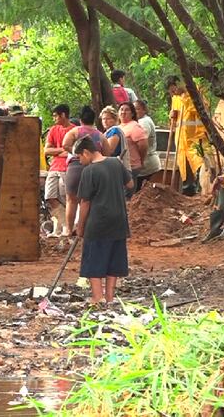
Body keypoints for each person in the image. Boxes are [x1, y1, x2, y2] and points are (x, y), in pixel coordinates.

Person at [73, 137, 134, 305]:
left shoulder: (89, 171)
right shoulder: (116, 163)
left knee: (94, 260)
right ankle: (110, 298)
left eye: (79, 157)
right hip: (119, 220)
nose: (80, 161)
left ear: (86, 152)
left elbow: (85, 202)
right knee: (113, 260)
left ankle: (97, 297)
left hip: (98, 222)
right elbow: (130, 184)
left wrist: (80, 226)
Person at [62, 105, 110, 234]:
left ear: (80, 119)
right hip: (94, 168)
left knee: (71, 200)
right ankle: (85, 229)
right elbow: (107, 153)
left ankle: (69, 230)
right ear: (94, 120)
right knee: (88, 200)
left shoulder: (75, 131)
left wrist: (77, 153)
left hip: (75, 168)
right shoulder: (100, 135)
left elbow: (65, 144)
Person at [166, 75, 208, 196]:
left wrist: (185, 97)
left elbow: (200, 110)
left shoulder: (195, 93)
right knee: (184, 165)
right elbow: (175, 119)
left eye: (175, 90)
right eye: (171, 91)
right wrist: (171, 115)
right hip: (180, 137)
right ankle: (188, 189)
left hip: (195, 136)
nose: (174, 93)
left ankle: (202, 190)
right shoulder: (175, 98)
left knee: (199, 162)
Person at [44, 104, 76, 236]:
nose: (54, 118)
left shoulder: (75, 130)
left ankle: (66, 227)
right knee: (49, 196)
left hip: (68, 167)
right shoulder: (53, 130)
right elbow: (46, 150)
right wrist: (62, 150)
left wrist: (58, 152)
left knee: (65, 197)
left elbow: (74, 151)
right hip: (54, 167)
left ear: (63, 115)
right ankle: (65, 225)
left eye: (56, 115)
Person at [117, 102, 148, 184]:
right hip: (120, 166)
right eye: (121, 109)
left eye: (127, 110)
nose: (123, 112)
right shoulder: (118, 127)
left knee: (128, 193)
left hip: (131, 166)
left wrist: (141, 160)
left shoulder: (134, 126)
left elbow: (143, 146)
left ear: (132, 114)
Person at [134, 99, 162, 188]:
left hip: (146, 164)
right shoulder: (138, 122)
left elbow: (141, 141)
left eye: (137, 109)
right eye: (133, 109)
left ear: (144, 110)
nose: (135, 111)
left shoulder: (144, 122)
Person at [100, 107, 132, 175]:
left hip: (115, 167)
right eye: (103, 119)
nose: (105, 121)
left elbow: (109, 151)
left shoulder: (114, 131)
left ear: (115, 119)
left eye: (108, 119)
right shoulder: (107, 132)